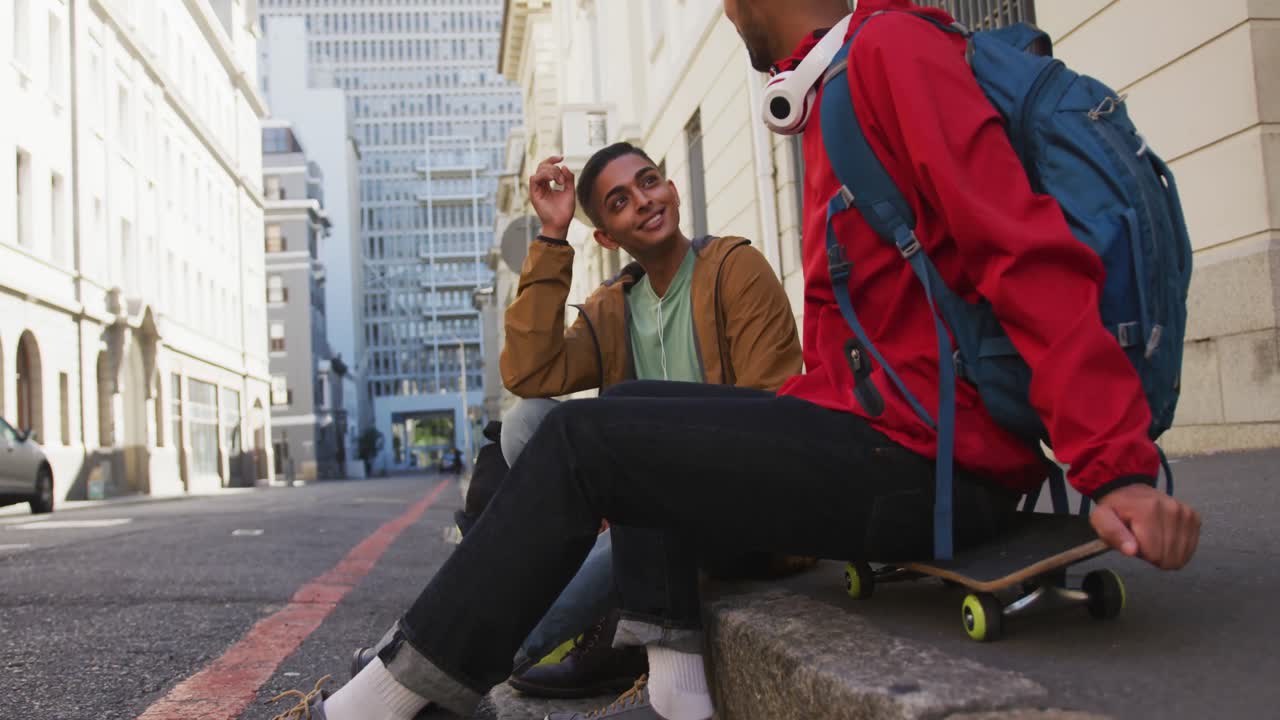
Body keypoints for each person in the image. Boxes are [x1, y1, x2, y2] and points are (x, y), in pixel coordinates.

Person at [268, 2, 1202, 719]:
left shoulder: (891, 53)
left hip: (934, 469)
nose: (723, 11)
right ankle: (675, 687)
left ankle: (381, 703)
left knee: (595, 441)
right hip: (884, 438)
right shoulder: (836, 84)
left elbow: (1022, 252)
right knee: (631, 414)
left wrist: (1112, 464)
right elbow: (540, 372)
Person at [347, 143, 805, 700]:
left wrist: (656, 476)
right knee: (526, 423)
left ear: (671, 189)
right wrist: (552, 235)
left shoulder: (734, 269)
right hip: (651, 509)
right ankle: (432, 658)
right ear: (607, 238)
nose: (643, 200)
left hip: (745, 504)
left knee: (631, 505)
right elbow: (529, 371)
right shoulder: (615, 305)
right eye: (620, 201)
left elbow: (773, 415)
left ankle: (439, 666)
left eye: (649, 182)